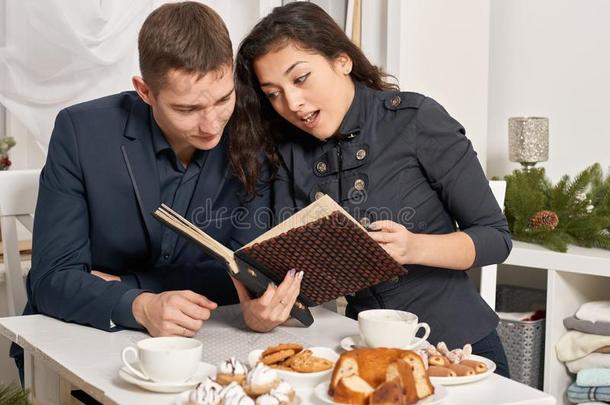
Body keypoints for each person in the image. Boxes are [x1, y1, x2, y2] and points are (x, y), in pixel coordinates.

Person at [11, 1, 301, 382]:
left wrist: (132, 287)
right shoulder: (81, 133)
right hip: (78, 339)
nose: (212, 124)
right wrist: (140, 307)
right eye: (187, 109)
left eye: (222, 99)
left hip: (208, 341)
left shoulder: (252, 134)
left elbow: (246, 273)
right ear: (145, 91)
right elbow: (51, 281)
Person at [230, 2, 512, 376]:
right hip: (364, 348)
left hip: (457, 347)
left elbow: (496, 238)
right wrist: (257, 308)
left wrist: (415, 246)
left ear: (342, 60)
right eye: (273, 93)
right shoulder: (286, 153)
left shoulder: (416, 120)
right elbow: (267, 264)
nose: (292, 103)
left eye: (300, 79)